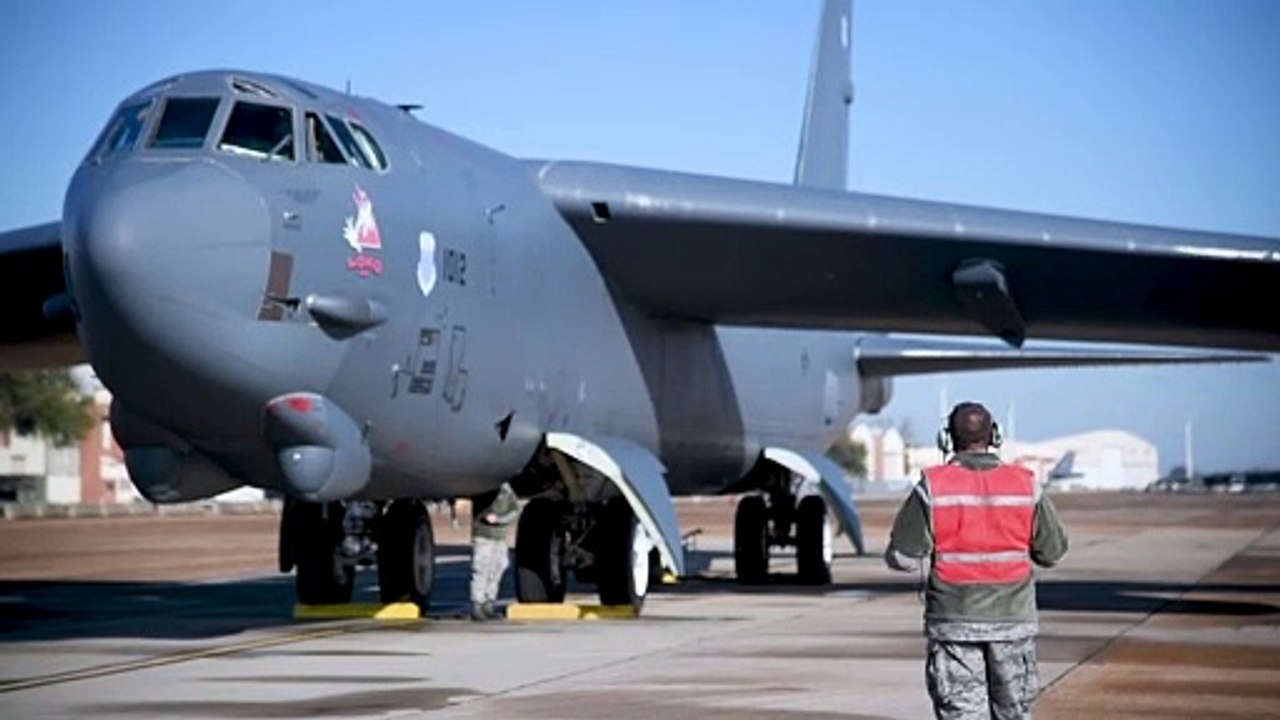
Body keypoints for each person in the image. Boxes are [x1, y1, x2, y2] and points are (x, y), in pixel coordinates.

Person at [885, 401, 1068, 719]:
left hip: (955, 625)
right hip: (1012, 624)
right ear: (994, 436)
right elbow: (1052, 553)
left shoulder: (933, 486)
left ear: (947, 438)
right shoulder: (1025, 484)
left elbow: (902, 558)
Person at [468, 482, 521, 621]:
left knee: (498, 568)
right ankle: (477, 605)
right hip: (483, 535)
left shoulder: (506, 490)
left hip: (500, 537)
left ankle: (489, 604)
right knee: (481, 569)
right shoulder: (481, 488)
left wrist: (501, 520)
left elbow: (516, 508)